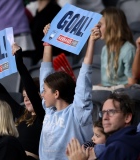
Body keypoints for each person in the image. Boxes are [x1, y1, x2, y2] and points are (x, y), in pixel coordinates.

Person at [39, 23, 101, 160]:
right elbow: (45, 72)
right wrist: (48, 42)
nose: (42, 94)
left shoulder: (78, 113)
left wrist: (91, 42)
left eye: (45, 91)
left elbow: (84, 77)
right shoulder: (49, 110)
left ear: (56, 94)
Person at [0, 43, 44, 160]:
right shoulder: (22, 113)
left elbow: (31, 89)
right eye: (23, 96)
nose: (26, 99)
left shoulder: (43, 116)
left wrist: (19, 63)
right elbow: (1, 93)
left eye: (29, 96)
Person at [66, 92, 140, 160]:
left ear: (127, 117)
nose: (105, 117)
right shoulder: (129, 140)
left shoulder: (118, 147)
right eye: (103, 113)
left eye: (111, 112)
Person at [96, 7, 136, 89]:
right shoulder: (105, 49)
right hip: (107, 91)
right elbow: (105, 83)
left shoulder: (128, 49)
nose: (97, 27)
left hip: (121, 94)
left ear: (112, 26)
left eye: (100, 25)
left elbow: (132, 84)